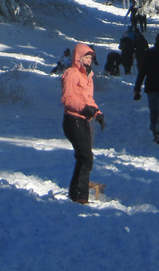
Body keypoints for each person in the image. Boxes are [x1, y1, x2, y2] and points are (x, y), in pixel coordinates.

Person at [61, 42, 105, 206]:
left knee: (84, 158)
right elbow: (68, 100)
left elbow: (88, 99)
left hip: (84, 119)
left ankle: (77, 194)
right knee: (85, 157)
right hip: (73, 120)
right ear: (79, 57)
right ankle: (79, 196)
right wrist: (84, 109)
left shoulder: (88, 76)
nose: (89, 59)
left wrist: (97, 113)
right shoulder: (71, 74)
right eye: (86, 56)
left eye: (91, 57)